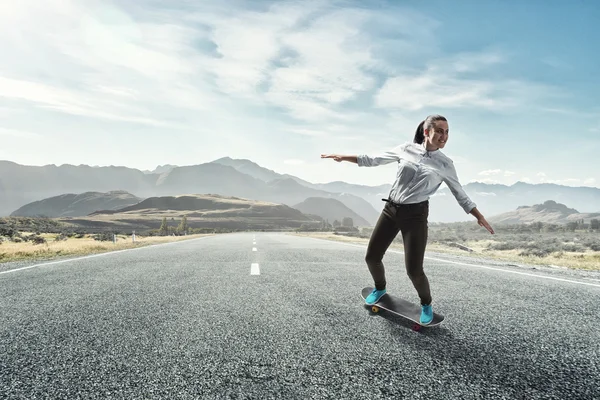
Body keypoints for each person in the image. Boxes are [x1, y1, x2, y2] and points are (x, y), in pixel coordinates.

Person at [321, 114, 494, 325]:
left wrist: (479, 216)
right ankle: (380, 288)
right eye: (439, 130)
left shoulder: (446, 164)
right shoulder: (406, 149)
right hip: (391, 210)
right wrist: (343, 157)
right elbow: (373, 159)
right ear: (427, 132)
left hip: (415, 216)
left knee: (414, 270)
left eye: (447, 132)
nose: (444, 136)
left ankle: (426, 304)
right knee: (371, 257)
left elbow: (460, 194)